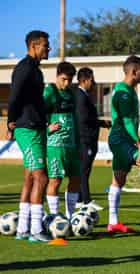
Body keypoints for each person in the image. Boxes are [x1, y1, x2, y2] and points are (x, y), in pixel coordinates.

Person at [107, 55, 140, 233]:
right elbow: (128, 122)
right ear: (134, 71)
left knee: (118, 181)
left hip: (122, 139)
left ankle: (112, 222)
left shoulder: (128, 90)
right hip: (120, 139)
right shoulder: (123, 92)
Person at [6, 30, 51, 242]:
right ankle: (36, 229)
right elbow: (14, 96)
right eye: (45, 45)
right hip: (28, 129)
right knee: (41, 177)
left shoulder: (35, 70)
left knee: (30, 178)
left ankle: (23, 228)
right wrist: (11, 121)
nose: (48, 49)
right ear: (33, 46)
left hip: (37, 127)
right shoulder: (24, 68)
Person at [43, 61, 81, 220]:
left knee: (76, 179)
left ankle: (70, 216)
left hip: (72, 146)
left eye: (70, 80)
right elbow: (36, 113)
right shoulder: (50, 91)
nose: (67, 83)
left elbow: (75, 118)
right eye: (64, 79)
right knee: (56, 180)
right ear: (57, 75)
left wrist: (78, 142)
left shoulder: (71, 93)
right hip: (55, 146)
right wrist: (47, 127)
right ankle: (54, 216)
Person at [75, 67, 111, 210]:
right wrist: (102, 122)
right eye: (92, 80)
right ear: (84, 80)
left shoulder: (83, 95)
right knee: (84, 170)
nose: (94, 83)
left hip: (89, 138)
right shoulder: (80, 96)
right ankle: (87, 201)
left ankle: (79, 199)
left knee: (84, 170)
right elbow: (84, 118)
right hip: (85, 139)